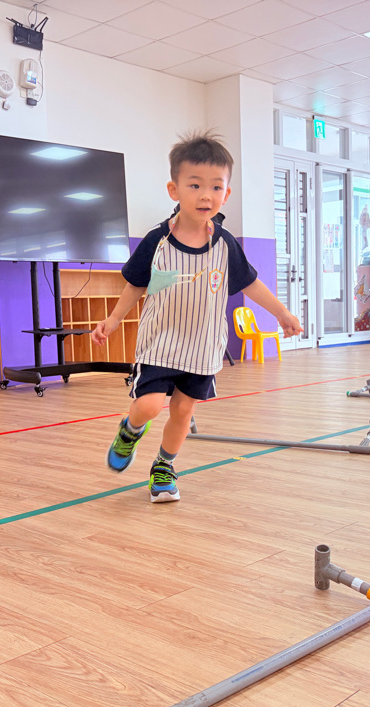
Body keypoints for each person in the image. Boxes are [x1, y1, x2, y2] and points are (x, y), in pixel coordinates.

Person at [92, 130, 303, 503]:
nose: (206, 195)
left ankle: (164, 467)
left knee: (183, 411)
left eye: (216, 187)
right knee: (149, 405)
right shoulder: (157, 241)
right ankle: (130, 430)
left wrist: (282, 312)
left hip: (203, 348)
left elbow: (251, 284)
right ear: (174, 190)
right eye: (195, 185)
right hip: (160, 344)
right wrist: (112, 320)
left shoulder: (224, 244)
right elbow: (135, 285)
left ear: (227, 193)